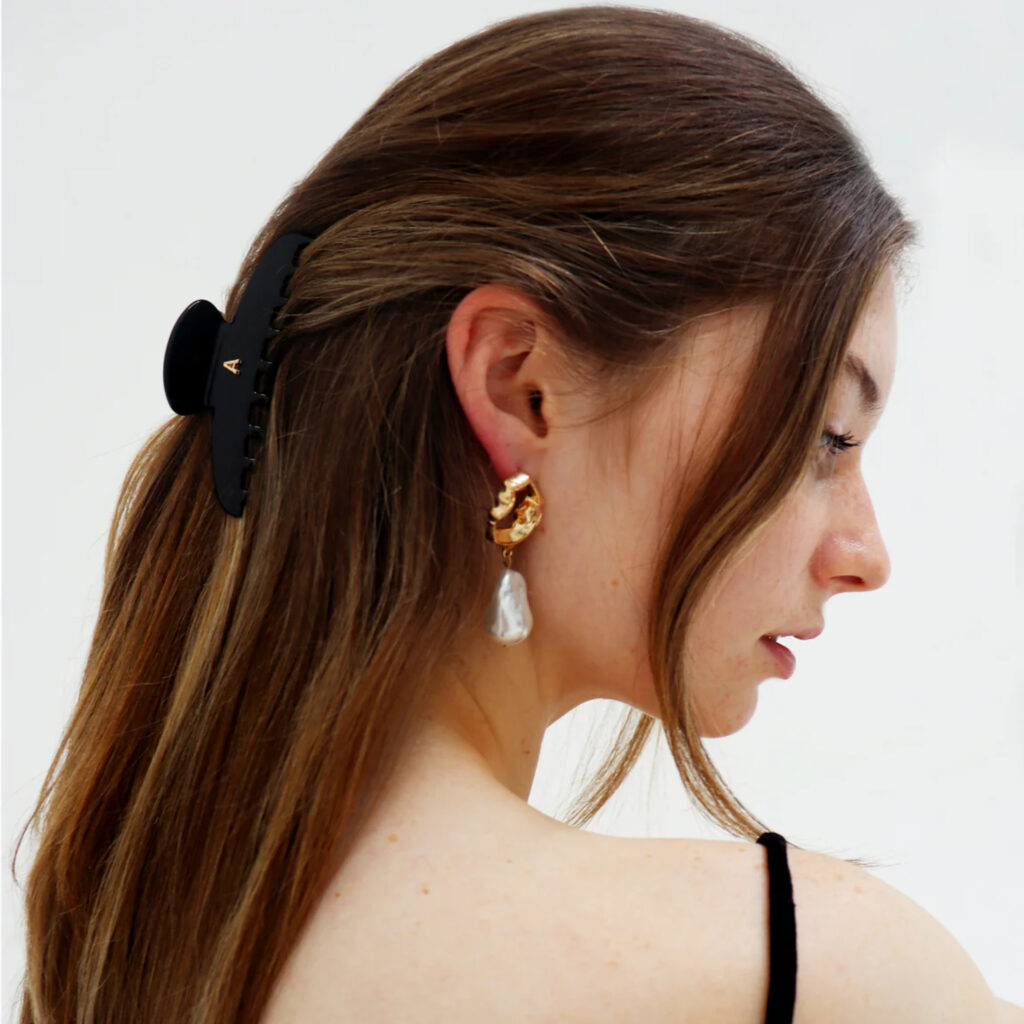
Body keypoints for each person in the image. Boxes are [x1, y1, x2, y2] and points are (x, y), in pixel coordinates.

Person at [13, 5, 1022, 1023]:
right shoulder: (816, 975)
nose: (866, 554)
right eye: (824, 436)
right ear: (520, 387)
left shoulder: (128, 953)